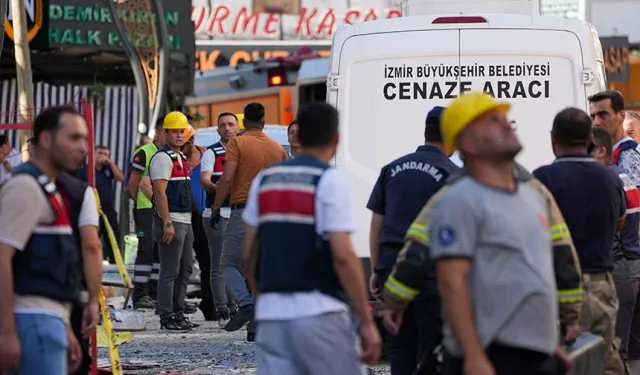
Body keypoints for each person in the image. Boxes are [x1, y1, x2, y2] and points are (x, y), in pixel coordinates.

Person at [427, 92, 574, 375]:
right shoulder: (459, 200)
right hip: (491, 356)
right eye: (492, 121)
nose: (506, 124)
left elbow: (533, 274)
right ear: (467, 143)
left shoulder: (532, 197)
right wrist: (473, 356)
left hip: (535, 353)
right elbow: (451, 282)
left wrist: (549, 346)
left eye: (504, 118)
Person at [243, 102, 382, 375]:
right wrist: (366, 321)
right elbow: (343, 256)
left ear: (298, 136)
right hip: (320, 311)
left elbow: (248, 254)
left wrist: (265, 300)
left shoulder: (265, 181)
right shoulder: (329, 180)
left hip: (272, 314)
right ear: (336, 138)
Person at [533, 107, 627, 375]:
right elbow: (620, 222)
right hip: (601, 285)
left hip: (555, 287)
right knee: (604, 358)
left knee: (560, 362)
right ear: (590, 139)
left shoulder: (541, 179)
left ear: (553, 138)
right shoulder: (612, 178)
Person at [367, 106, 459, 375]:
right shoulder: (452, 175)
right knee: (435, 346)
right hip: (432, 274)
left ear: (425, 132)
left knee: (399, 345)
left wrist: (376, 268)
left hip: (392, 270)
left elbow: (377, 224)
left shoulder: (392, 169)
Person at [0, 106, 89, 375]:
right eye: (74, 138)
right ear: (47, 139)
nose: (83, 148)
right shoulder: (25, 187)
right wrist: (6, 332)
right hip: (31, 320)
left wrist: (65, 327)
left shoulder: (48, 188)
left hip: (47, 320)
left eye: (84, 139)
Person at [211, 102, 287, 338]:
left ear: (243, 123)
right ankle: (256, 327)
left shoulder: (237, 143)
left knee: (228, 264)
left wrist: (215, 207)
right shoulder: (277, 149)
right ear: (263, 123)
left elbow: (226, 178)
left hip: (245, 210)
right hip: (271, 213)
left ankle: (246, 305)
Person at [590, 93, 640, 374]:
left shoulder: (628, 156)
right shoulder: (618, 155)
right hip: (628, 262)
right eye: (593, 115)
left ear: (621, 116)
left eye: (603, 114)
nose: (596, 121)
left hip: (624, 263)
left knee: (618, 348)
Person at [149, 111, 197, 331]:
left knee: (185, 268)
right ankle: (167, 316)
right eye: (174, 132)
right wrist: (167, 222)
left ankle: (177, 313)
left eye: (182, 131)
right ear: (165, 133)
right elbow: (159, 193)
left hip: (184, 221)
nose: (179, 136)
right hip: (173, 221)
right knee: (170, 270)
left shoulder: (180, 157)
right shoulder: (162, 158)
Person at [57, 172, 102, 375]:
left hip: (30, 296)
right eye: (74, 138)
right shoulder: (80, 192)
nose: (82, 147)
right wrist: (92, 299)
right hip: (71, 291)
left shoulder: (14, 185)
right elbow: (92, 246)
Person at [200, 112, 240, 327]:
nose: (227, 128)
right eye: (223, 125)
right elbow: (205, 181)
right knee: (217, 265)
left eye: (230, 124)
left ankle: (235, 306)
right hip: (217, 215)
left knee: (235, 264)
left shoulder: (242, 151)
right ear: (218, 130)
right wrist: (222, 191)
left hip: (237, 215)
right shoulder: (211, 153)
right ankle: (222, 310)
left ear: (238, 127)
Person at [128, 120, 165, 309]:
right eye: (167, 131)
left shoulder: (170, 152)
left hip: (163, 210)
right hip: (146, 208)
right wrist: (142, 204)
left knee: (159, 253)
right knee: (146, 251)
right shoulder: (144, 152)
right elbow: (136, 183)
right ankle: (139, 293)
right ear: (157, 132)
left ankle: (154, 293)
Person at [181, 124, 216, 320]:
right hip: (184, 215)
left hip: (205, 214)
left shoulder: (207, 157)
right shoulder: (174, 159)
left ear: (192, 142)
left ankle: (209, 303)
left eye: (184, 143)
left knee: (208, 261)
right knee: (183, 262)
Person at [79, 145, 124, 262]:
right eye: (100, 153)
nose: (103, 156)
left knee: (114, 236)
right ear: (92, 154)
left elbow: (120, 177)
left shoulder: (108, 170)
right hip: (90, 209)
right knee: (92, 238)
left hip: (107, 209)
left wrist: (111, 163)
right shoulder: (85, 170)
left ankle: (115, 263)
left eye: (106, 154)